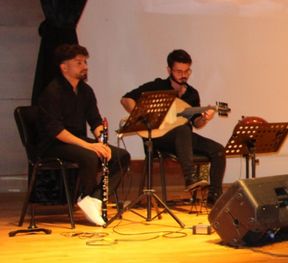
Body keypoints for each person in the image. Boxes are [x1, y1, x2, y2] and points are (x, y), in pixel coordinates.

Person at [36, 44, 130, 226]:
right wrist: (89, 145)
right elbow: (56, 130)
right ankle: (85, 197)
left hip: (76, 141)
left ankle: (94, 199)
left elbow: (95, 121)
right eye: (78, 62)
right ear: (64, 67)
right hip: (54, 144)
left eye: (85, 62)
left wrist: (101, 139)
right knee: (89, 155)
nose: (84, 66)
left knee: (121, 156)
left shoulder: (85, 91)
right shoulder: (52, 91)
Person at [121, 49, 226, 205]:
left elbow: (197, 123)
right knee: (182, 130)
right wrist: (140, 116)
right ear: (169, 70)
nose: (183, 75)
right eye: (178, 71)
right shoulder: (157, 86)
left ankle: (214, 197)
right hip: (159, 138)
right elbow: (126, 99)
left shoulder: (192, 94)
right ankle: (190, 178)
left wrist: (205, 118)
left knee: (218, 150)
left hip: (184, 139)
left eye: (186, 71)